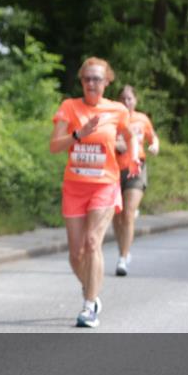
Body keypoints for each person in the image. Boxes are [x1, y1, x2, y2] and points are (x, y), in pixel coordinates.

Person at [49, 57, 139, 328]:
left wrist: (133, 155)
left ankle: (89, 306)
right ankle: (92, 290)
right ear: (81, 81)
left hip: (105, 184)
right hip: (75, 187)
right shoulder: (69, 107)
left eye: (97, 79)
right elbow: (54, 145)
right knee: (75, 254)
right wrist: (79, 134)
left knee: (92, 242)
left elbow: (131, 135)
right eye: (87, 78)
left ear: (107, 81)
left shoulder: (117, 110)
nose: (91, 83)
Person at [112, 85, 159, 276]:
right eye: (123, 99)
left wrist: (154, 145)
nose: (126, 102)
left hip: (136, 168)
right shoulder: (112, 118)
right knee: (117, 215)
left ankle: (123, 258)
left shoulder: (142, 119)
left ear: (136, 101)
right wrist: (117, 144)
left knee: (129, 213)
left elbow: (152, 137)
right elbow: (101, 139)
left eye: (129, 98)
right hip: (114, 169)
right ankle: (123, 248)